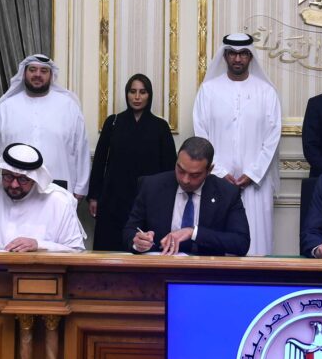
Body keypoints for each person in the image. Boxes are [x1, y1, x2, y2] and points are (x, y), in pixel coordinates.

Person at [193, 34, 281, 256]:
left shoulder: (266, 92)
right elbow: (201, 134)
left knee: (257, 245)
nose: (238, 59)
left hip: (255, 185)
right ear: (225, 56)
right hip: (217, 181)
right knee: (217, 243)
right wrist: (220, 172)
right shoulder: (208, 90)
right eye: (233, 53)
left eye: (243, 54)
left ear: (250, 56)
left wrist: (252, 174)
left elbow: (272, 137)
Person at [0, 54, 91, 198]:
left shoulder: (69, 107)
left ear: (51, 75)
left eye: (43, 71)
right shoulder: (5, 108)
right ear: (24, 73)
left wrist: (80, 189)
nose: (38, 74)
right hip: (14, 189)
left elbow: (81, 150)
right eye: (32, 70)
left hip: (58, 190)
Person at [87, 74, 176, 250]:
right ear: (126, 94)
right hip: (114, 197)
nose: (137, 97)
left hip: (148, 198)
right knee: (109, 247)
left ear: (149, 95)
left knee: (144, 247)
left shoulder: (160, 126)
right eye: (132, 91)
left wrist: (168, 198)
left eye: (142, 92)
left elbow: (169, 167)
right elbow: (99, 162)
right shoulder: (113, 122)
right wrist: (94, 197)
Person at [124, 137, 249, 256]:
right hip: (160, 269)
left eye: (194, 175)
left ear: (209, 170)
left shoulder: (227, 193)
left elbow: (241, 243)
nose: (185, 180)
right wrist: (138, 242)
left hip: (206, 271)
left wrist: (193, 232)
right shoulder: (151, 186)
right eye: (181, 170)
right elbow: (130, 230)